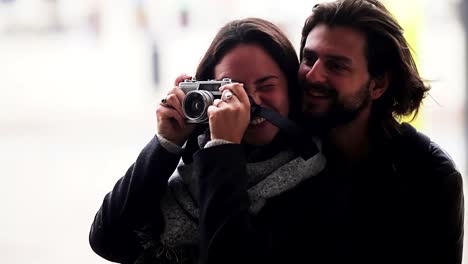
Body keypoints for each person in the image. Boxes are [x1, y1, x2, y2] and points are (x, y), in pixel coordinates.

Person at [196, 1, 464, 264]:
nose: (313, 76)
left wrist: (223, 149)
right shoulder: (277, 141)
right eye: (309, 59)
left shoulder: (428, 177)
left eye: (336, 66)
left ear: (378, 84)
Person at [89, 17, 325, 263]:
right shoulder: (195, 160)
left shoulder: (313, 177)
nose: (251, 101)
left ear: (291, 89)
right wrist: (166, 145)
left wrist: (223, 149)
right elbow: (107, 239)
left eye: (266, 85)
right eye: (232, 89)